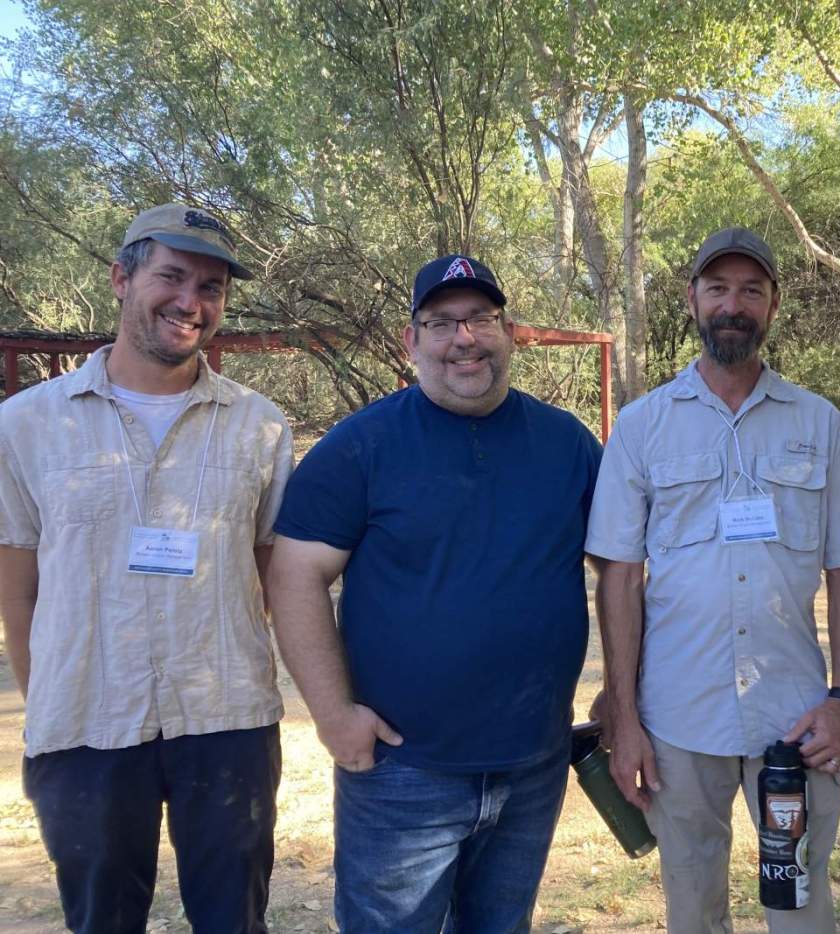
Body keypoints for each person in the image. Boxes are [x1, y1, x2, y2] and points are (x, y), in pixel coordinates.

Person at [266, 253, 602, 933]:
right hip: (402, 772)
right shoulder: (361, 446)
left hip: (533, 764)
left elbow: (622, 570)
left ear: (509, 332)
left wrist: (623, 696)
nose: (464, 339)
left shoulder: (568, 444)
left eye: (480, 318)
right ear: (410, 340)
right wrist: (334, 716)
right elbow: (294, 573)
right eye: (441, 323)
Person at [0, 203, 294, 933]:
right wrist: (48, 700)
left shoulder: (261, 425)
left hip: (226, 717)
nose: (191, 302)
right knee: (102, 920)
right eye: (172, 276)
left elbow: (279, 575)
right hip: (85, 720)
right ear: (121, 279)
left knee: (235, 919)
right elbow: (17, 580)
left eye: (212, 286)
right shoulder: (27, 424)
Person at [585, 227, 840, 933]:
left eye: (751, 290)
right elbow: (619, 579)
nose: (733, 304)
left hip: (795, 715)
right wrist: (625, 720)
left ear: (773, 306)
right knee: (692, 905)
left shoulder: (821, 422)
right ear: (692, 299)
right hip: (677, 716)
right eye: (718, 288)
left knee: (802, 902)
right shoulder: (643, 425)